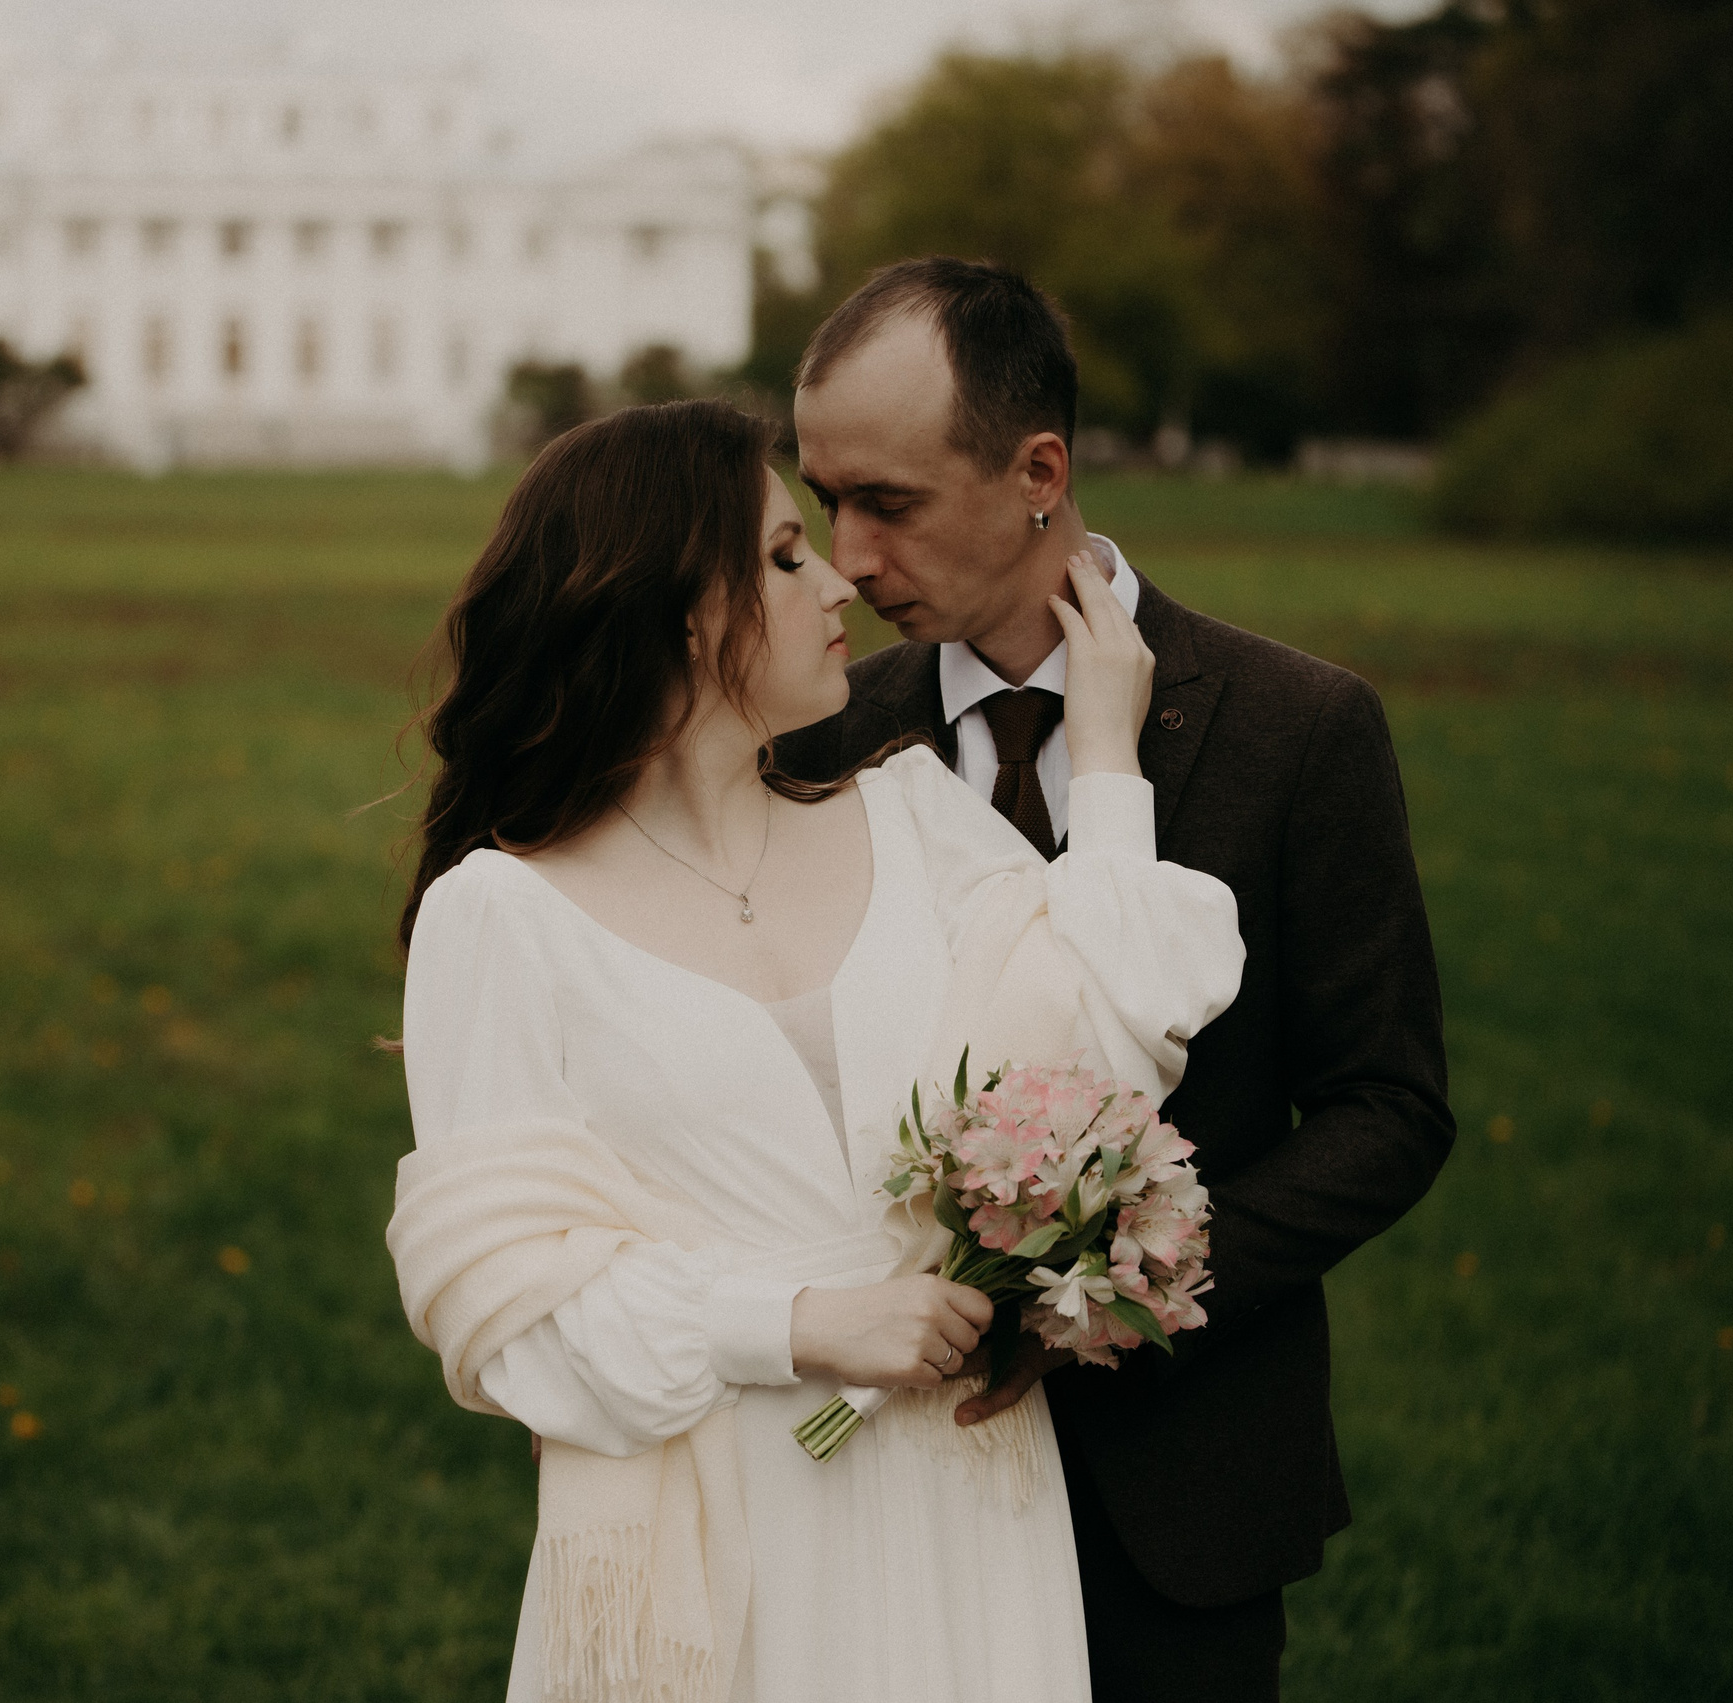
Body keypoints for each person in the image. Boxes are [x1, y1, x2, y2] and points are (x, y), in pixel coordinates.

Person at [387, 398, 1246, 1702]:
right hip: (725, 1516)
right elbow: (509, 1316)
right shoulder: (502, 919)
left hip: (963, 1500)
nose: (840, 575)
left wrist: (1110, 769)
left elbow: (1101, 1067)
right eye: (786, 555)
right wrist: (798, 1325)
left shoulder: (917, 821)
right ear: (682, 609)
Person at [773, 257, 1456, 1702]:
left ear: (1040, 470)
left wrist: (1132, 1293)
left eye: (887, 502)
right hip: (888, 1489)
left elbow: (1386, 1107)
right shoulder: (823, 739)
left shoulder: (1297, 726)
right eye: (823, 501)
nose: (848, 559)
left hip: (1183, 1491)